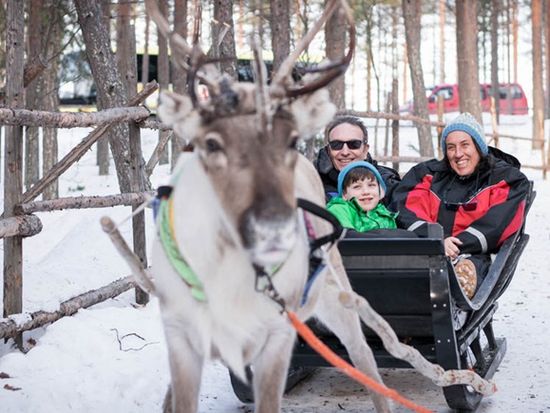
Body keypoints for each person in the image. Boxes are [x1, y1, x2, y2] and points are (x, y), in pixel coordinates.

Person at [390, 112, 530, 298]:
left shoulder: (505, 179)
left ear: (479, 147)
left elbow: (497, 224)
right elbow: (405, 209)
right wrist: (437, 240)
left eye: (465, 145)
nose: (458, 154)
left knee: (468, 270)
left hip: (475, 255)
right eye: (451, 147)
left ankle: (456, 287)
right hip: (425, 251)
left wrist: (453, 247)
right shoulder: (425, 175)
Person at [314, 115, 400, 203]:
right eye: (336, 145)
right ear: (328, 150)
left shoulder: (386, 183)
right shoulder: (312, 181)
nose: (345, 152)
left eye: (354, 144)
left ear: (365, 150)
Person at [327, 161, 397, 233]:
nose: (366, 192)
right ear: (344, 194)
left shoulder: (385, 215)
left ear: (380, 191)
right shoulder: (339, 209)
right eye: (357, 187)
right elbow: (346, 238)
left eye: (371, 185)